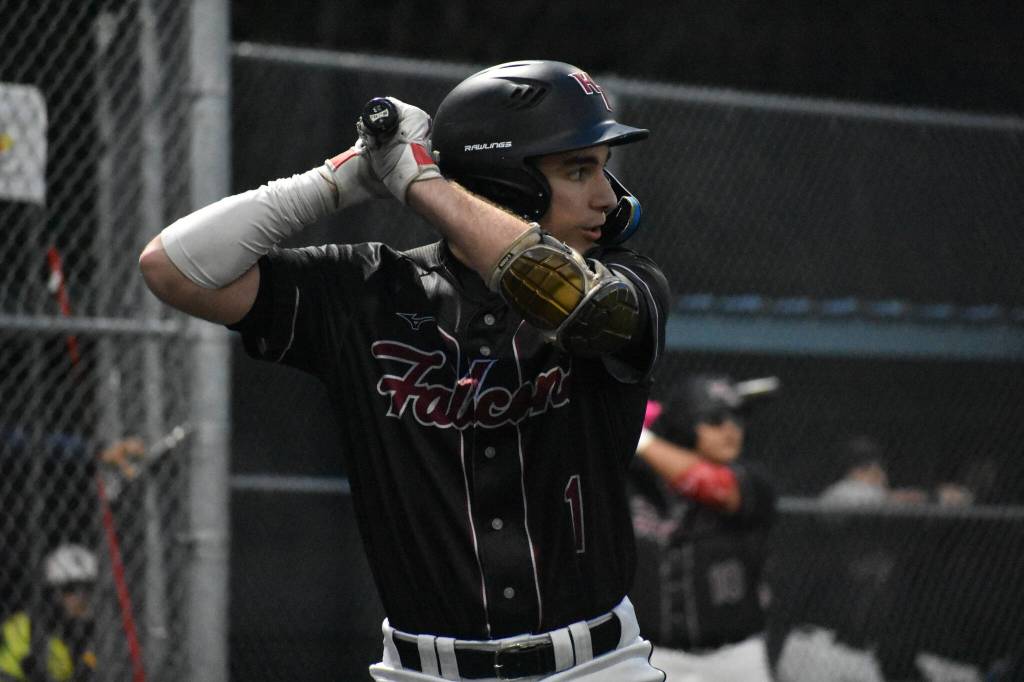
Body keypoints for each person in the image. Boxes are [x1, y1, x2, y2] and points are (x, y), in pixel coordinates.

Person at [139, 60, 670, 680]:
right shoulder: (371, 290)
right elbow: (172, 268)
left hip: (597, 668)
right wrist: (347, 178)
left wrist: (423, 184)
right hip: (421, 672)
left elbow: (577, 305)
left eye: (601, 170)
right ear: (505, 183)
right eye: (579, 170)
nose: (608, 197)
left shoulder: (629, 280)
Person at [629, 374, 779, 681]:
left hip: (735, 656)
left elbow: (713, 486)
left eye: (736, 419)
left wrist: (638, 435)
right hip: (654, 654)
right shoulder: (632, 480)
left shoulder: (752, 480)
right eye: (714, 420)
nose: (731, 430)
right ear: (683, 426)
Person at [0, 544, 98, 681]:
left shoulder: (83, 636)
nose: (80, 597)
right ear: (52, 593)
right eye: (70, 588)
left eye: (87, 588)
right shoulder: (21, 627)